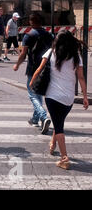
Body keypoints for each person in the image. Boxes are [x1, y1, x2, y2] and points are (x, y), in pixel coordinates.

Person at [29, 31, 88, 170]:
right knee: (58, 121)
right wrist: (85, 96)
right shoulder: (76, 56)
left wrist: (32, 82)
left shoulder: (51, 52)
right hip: (68, 98)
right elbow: (81, 78)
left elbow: (39, 68)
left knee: (59, 126)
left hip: (52, 96)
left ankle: (64, 158)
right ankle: (52, 144)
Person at [13, 13, 53, 134]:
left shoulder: (29, 35)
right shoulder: (49, 35)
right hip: (46, 67)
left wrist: (17, 65)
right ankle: (35, 119)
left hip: (33, 68)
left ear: (31, 22)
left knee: (32, 94)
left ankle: (43, 116)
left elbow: (23, 54)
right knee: (39, 93)